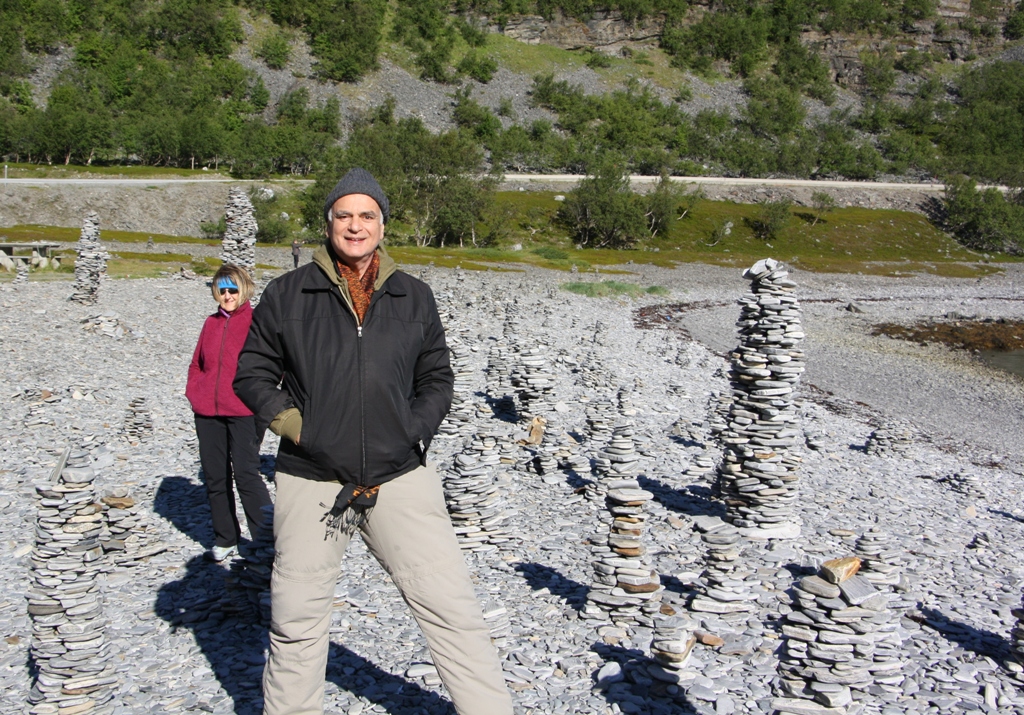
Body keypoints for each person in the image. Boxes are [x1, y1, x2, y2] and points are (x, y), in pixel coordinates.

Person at [234, 168, 513, 715]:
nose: (355, 226)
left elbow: (437, 378)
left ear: (383, 224)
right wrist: (301, 430)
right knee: (296, 622)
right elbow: (252, 373)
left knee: (452, 609)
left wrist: (412, 430)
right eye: (344, 215)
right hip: (311, 479)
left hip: (401, 477)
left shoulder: (414, 294)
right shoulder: (288, 293)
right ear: (328, 223)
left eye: (367, 215)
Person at [186, 264, 272, 562]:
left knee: (247, 474)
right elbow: (197, 363)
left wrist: (262, 399)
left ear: (244, 289)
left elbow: (275, 364)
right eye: (221, 290)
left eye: (232, 289)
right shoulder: (210, 323)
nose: (227, 295)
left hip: (245, 411)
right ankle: (226, 538)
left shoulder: (256, 322)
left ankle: (265, 539)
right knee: (215, 476)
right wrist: (194, 391)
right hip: (207, 411)